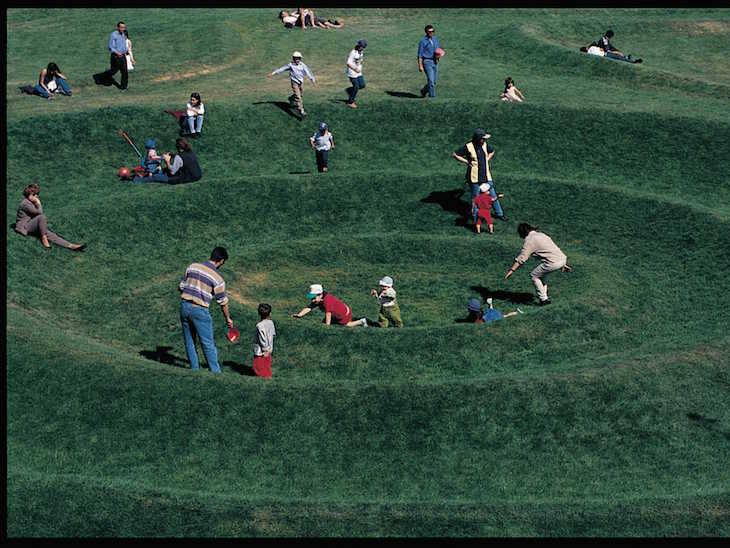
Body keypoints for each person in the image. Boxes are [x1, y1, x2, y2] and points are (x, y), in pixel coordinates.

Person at [178, 246, 234, 374]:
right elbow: (223, 302)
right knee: (207, 343)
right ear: (221, 260)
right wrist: (228, 319)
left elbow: (181, 286)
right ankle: (215, 372)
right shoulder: (218, 279)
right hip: (200, 310)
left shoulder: (192, 266)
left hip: (184, 306)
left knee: (189, 341)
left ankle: (195, 370)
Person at [504, 223, 573, 306]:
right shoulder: (541, 234)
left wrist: (512, 270)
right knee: (541, 276)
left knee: (534, 275)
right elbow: (553, 249)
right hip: (562, 259)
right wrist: (562, 264)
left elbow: (522, 258)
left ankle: (544, 300)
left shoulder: (529, 241)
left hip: (553, 262)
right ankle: (545, 298)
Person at [452, 128, 507, 224]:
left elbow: (492, 151)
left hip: (486, 176)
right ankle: (476, 218)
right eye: (483, 138)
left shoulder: (485, 145)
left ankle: (500, 214)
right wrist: (466, 162)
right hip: (474, 178)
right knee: (476, 198)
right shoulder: (468, 146)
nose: (485, 140)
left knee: (493, 195)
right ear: (478, 139)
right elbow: (455, 154)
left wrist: (487, 159)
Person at [14, 183, 85, 251]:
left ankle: (71, 246)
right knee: (42, 217)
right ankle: (43, 238)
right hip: (24, 227)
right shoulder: (25, 203)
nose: (36, 196)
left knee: (50, 234)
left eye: (37, 195)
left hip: (31, 224)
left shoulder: (30, 202)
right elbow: (39, 212)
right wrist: (38, 203)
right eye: (35, 195)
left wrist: (36, 203)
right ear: (30, 195)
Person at [292, 284, 368, 327]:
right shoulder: (318, 300)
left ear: (320, 295)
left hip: (343, 313)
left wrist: (327, 327)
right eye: (311, 298)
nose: (312, 300)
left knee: (347, 325)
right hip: (336, 313)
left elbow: (328, 314)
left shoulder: (327, 301)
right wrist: (300, 315)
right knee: (325, 322)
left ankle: (361, 321)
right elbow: (309, 307)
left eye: (313, 298)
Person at [268, 51, 317, 117]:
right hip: (294, 83)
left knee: (300, 95)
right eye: (296, 58)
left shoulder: (303, 65)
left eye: (298, 58)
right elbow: (282, 69)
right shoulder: (290, 65)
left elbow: (308, 72)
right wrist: (273, 73)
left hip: (300, 83)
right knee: (299, 97)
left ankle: (291, 99)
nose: (297, 60)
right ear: (293, 58)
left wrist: (313, 80)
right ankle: (301, 110)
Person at [134, 137, 202, 184]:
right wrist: (171, 155)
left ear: (177, 147)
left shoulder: (179, 157)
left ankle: (140, 180)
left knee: (156, 177)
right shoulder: (190, 152)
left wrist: (167, 162)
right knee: (165, 170)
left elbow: (172, 172)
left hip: (186, 178)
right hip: (197, 175)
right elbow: (182, 159)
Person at [93, 21, 129, 90]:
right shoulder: (114, 35)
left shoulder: (124, 33)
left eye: (124, 27)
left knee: (125, 72)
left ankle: (123, 87)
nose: (123, 29)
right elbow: (111, 47)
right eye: (121, 27)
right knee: (113, 71)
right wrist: (117, 53)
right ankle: (103, 76)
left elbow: (123, 43)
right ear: (118, 27)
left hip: (123, 56)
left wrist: (126, 51)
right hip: (116, 57)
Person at [417, 24, 441, 98]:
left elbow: (437, 50)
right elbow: (420, 55)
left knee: (434, 81)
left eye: (433, 31)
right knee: (431, 81)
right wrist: (420, 66)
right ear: (426, 32)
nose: (432, 33)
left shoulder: (435, 39)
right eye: (430, 32)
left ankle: (424, 91)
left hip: (435, 62)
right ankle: (432, 97)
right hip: (427, 62)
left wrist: (438, 56)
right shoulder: (422, 41)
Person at [253, 303, 276, 378]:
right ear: (270, 313)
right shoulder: (271, 323)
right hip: (269, 350)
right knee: (266, 367)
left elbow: (263, 337)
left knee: (259, 369)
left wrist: (265, 349)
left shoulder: (260, 325)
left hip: (261, 352)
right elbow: (272, 334)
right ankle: (267, 378)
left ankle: (264, 380)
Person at [345, 39, 367, 108]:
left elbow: (359, 60)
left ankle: (349, 90)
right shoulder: (353, 52)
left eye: (364, 47)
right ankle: (350, 102)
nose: (363, 48)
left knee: (362, 85)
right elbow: (348, 63)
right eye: (362, 47)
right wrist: (355, 69)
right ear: (359, 46)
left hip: (358, 72)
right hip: (352, 73)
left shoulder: (361, 51)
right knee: (356, 87)